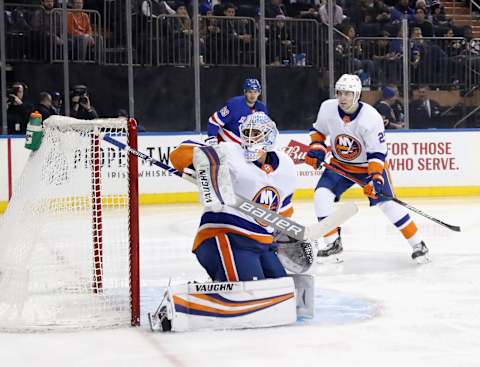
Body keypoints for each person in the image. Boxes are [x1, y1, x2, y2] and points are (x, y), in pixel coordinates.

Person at [305, 74, 429, 263]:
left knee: (387, 204)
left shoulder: (370, 117)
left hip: (367, 167)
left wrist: (375, 178)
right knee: (321, 195)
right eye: (340, 93)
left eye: (348, 93)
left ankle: (418, 244)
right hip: (340, 165)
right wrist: (316, 149)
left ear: (357, 94)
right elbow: (319, 131)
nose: (343, 98)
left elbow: (377, 153)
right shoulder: (328, 108)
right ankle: (332, 243)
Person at [170, 112, 296, 281]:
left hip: (262, 245)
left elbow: (282, 214)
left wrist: (285, 239)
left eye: (256, 134)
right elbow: (178, 154)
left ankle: (220, 282)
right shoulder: (230, 152)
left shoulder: (286, 166)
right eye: (247, 134)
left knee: (282, 288)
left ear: (269, 136)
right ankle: (217, 286)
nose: (250, 139)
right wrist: (204, 167)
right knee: (251, 289)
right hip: (224, 237)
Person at [206, 78, 267, 145]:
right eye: (250, 91)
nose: (253, 95)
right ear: (245, 92)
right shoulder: (234, 104)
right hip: (227, 142)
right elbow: (214, 120)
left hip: (247, 144)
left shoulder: (262, 108)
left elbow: (263, 129)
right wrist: (212, 137)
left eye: (255, 92)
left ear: (259, 92)